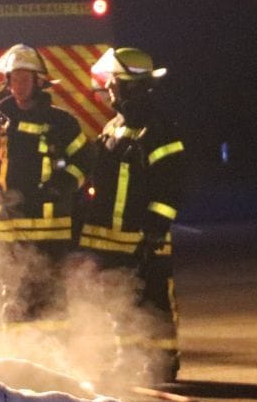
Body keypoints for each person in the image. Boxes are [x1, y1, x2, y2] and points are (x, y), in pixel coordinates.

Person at [76, 46, 185, 382]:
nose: (108, 88)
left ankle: (164, 363)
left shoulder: (159, 129)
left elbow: (170, 184)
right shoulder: (114, 126)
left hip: (142, 235)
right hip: (110, 236)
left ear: (130, 86)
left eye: (114, 82)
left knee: (153, 300)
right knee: (118, 299)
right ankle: (128, 357)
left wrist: (154, 229)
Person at [0, 44, 88, 328]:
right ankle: (19, 354)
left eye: (26, 78)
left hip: (51, 227)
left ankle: (55, 356)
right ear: (7, 81)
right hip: (10, 227)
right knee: (13, 292)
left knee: (51, 293)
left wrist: (63, 184)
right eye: (14, 78)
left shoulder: (62, 123)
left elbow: (85, 160)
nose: (19, 85)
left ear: (40, 82)